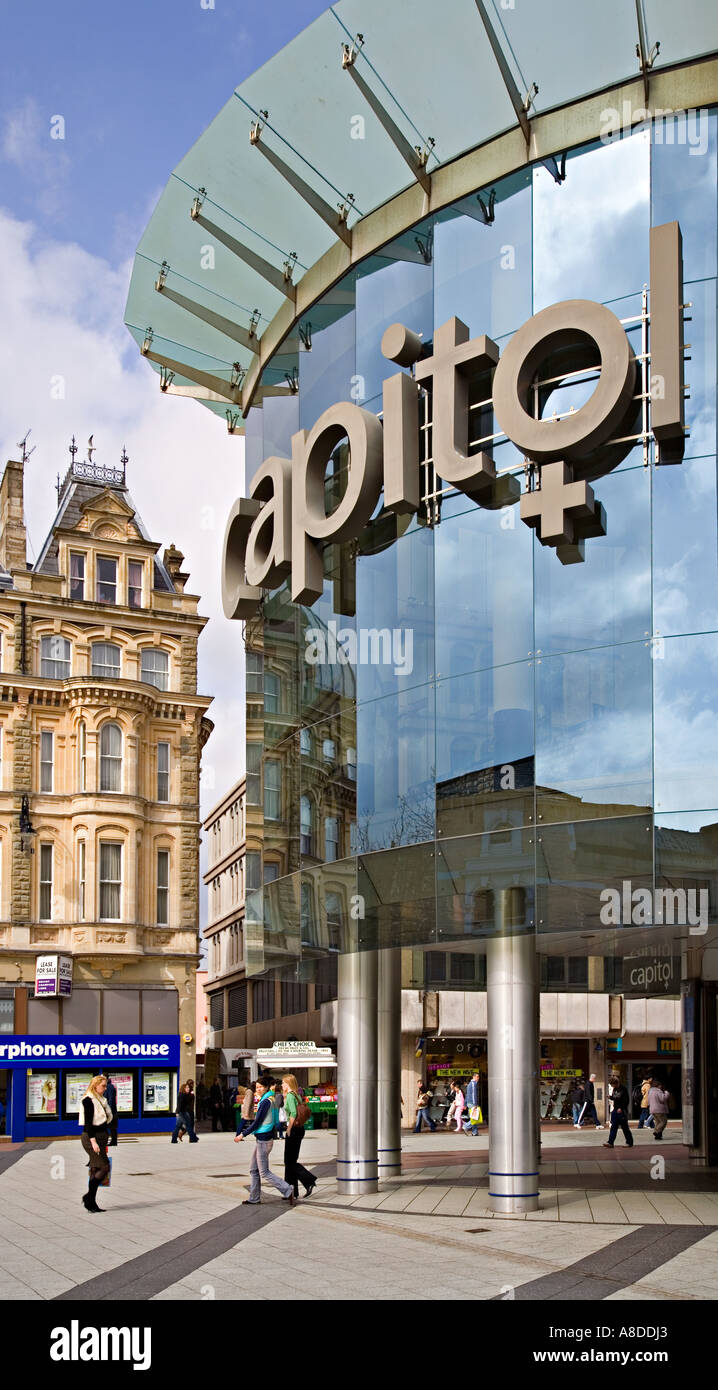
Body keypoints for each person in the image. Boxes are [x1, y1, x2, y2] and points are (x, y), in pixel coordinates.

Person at [235, 1077, 296, 1206]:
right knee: (253, 1169)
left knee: (264, 1172)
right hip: (263, 1138)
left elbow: (257, 1122)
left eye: (261, 1087)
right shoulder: (270, 1098)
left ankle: (287, 1189)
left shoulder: (266, 1101)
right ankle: (254, 1198)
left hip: (264, 1139)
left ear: (267, 1087)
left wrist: (242, 1134)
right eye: (257, 1087)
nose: (258, 1089)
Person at [79, 1075, 112, 1213]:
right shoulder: (88, 1100)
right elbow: (88, 1123)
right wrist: (93, 1142)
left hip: (100, 1136)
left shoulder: (100, 1100)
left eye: (106, 1086)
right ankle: (88, 1197)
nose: (105, 1088)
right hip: (91, 1137)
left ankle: (91, 1203)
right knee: (104, 1167)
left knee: (95, 1168)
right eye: (103, 1086)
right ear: (95, 1086)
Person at [282, 1074, 317, 1198]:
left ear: (289, 1083)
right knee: (290, 1161)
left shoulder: (290, 1096)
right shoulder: (297, 1095)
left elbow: (294, 1113)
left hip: (294, 1129)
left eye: (283, 1083)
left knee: (289, 1162)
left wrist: (289, 1129)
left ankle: (308, 1180)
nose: (282, 1085)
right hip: (300, 1129)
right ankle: (291, 1192)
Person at [604, 1076, 633, 1148]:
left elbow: (626, 1100)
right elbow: (615, 1098)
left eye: (612, 1084)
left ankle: (629, 1142)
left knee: (625, 1127)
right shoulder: (614, 1089)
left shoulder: (623, 1089)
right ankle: (610, 1142)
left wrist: (621, 1108)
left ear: (616, 1083)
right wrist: (610, 1097)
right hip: (615, 1110)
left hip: (621, 1111)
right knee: (613, 1127)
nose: (612, 1086)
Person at [102, 1074, 118, 1147]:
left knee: (111, 1126)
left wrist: (109, 1110)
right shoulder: (108, 1086)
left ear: (106, 1078)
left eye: (102, 1077)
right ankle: (113, 1141)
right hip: (109, 1109)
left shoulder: (109, 1087)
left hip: (111, 1110)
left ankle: (113, 1141)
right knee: (111, 1127)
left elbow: (111, 1099)